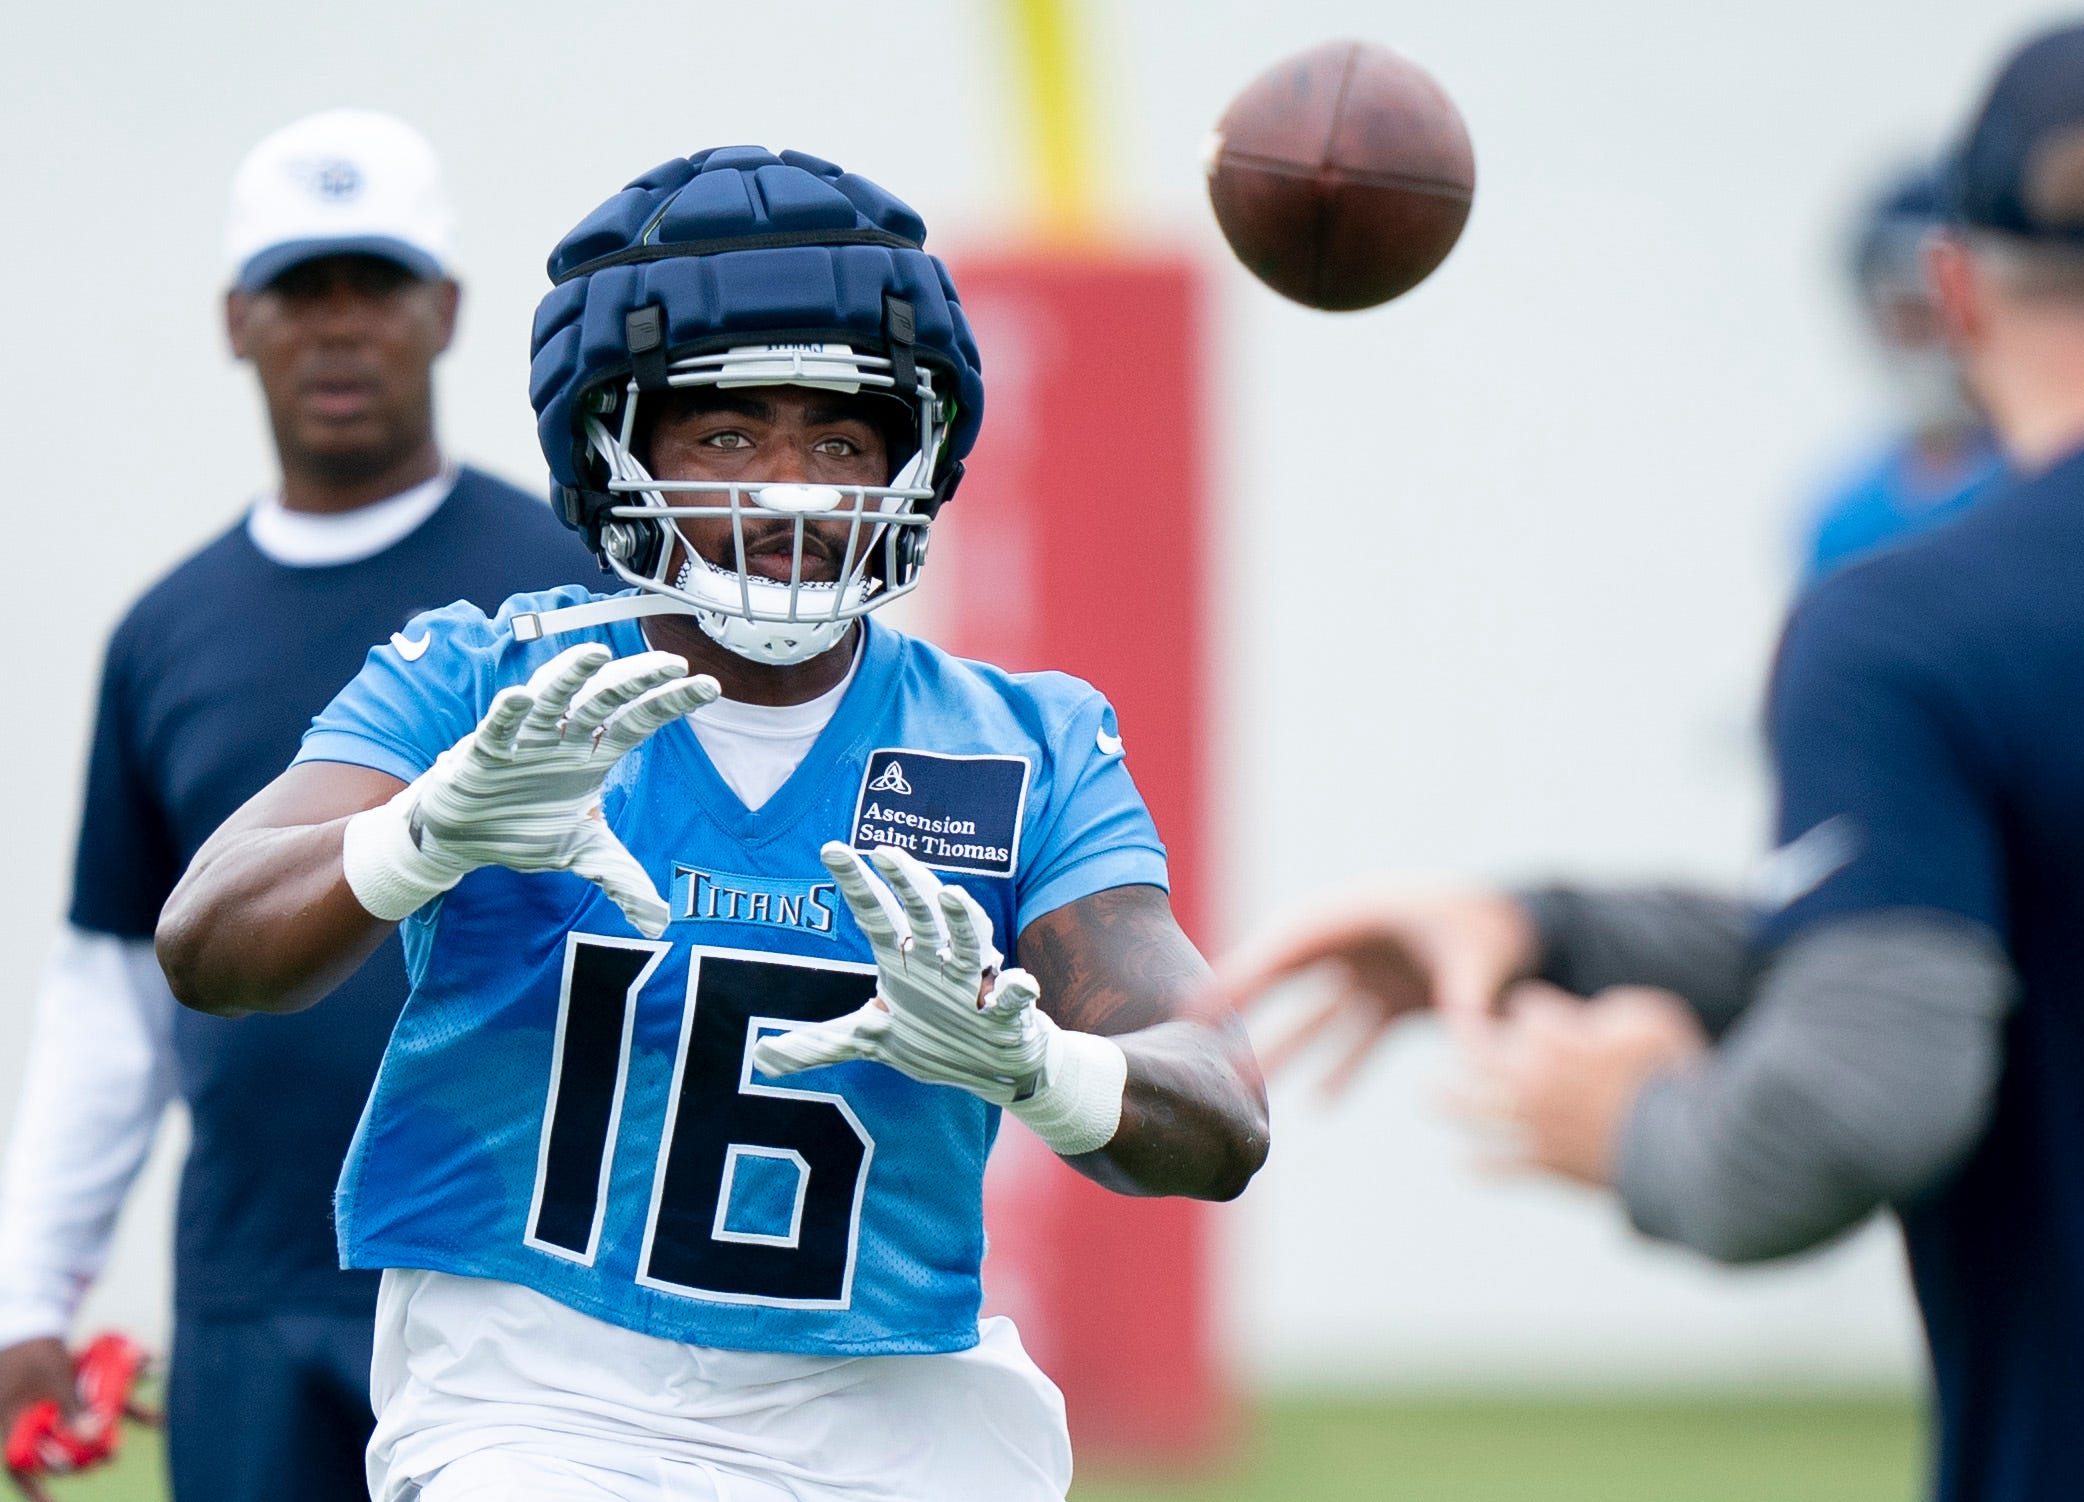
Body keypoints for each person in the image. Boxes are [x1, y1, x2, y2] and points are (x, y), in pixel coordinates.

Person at [1222, 18, 2084, 1501]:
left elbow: (1863, 1088)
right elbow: (2037, 948)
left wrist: (1635, 1129)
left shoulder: (1914, 623)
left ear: (1952, 289)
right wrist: (1556, 931)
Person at [155, 144, 1269, 1502]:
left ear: (913, 459)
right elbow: (207, 942)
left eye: (841, 436)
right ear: (613, 444)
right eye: (729, 433)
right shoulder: (481, 681)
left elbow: (1219, 1112)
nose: (791, 487)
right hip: (539, 1392)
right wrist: (427, 834)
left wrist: (1032, 1059)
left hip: (894, 1409)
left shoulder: (1017, 740)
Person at [0, 109, 596, 1501]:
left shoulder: (567, 591)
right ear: (234, 320)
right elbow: (115, 987)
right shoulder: (167, 632)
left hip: (525, 1276)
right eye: (298, 290)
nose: (339, 328)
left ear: (443, 311)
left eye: (374, 286)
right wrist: (34, 1288)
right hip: (255, 1290)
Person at [1799, 161, 2005, 581]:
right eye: (1897, 316)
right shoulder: (1846, 518)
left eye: (1930, 313)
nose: (1913, 340)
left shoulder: (2052, 480)